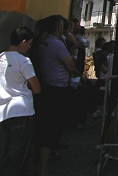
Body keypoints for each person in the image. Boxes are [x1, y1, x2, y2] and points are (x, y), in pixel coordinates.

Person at [30, 15, 75, 176]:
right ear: (59, 28)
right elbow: (70, 65)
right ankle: (43, 168)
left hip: (46, 86)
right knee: (49, 128)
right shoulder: (56, 44)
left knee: (41, 127)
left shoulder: (43, 42)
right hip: (55, 89)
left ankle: (32, 165)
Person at [0, 27, 40, 176]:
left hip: (3, 112)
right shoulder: (24, 61)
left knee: (4, 153)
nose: (29, 47)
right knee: (17, 156)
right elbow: (36, 88)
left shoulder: (0, 58)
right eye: (29, 43)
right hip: (22, 111)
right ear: (23, 42)